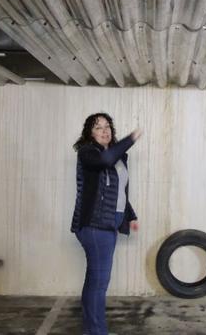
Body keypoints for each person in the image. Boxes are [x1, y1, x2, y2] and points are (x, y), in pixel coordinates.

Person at [70, 113, 141, 335]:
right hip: (94, 226)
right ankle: (96, 331)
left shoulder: (118, 157)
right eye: (98, 127)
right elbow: (104, 161)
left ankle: (92, 329)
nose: (104, 130)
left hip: (108, 225)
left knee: (96, 281)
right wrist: (130, 139)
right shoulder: (88, 153)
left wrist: (130, 215)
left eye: (107, 126)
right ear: (89, 133)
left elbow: (119, 192)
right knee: (99, 283)